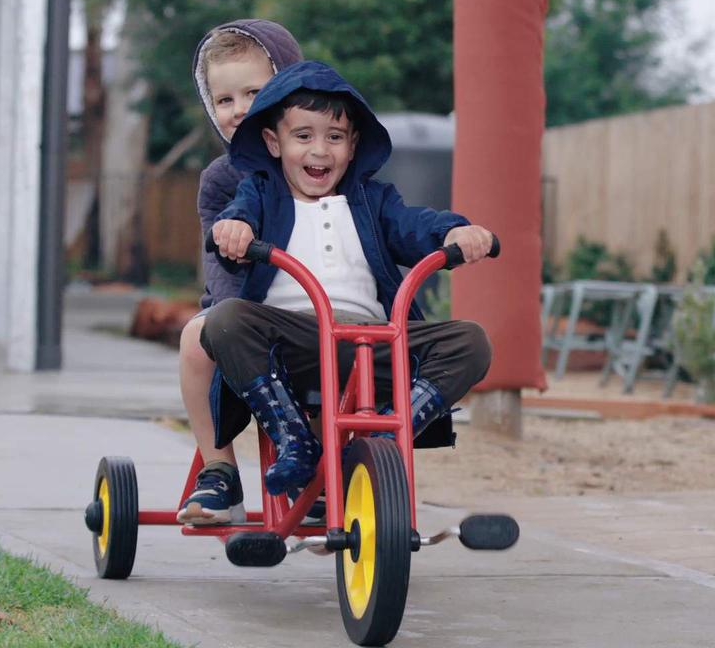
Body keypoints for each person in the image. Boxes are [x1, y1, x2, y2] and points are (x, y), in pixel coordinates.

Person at [191, 60, 493, 514]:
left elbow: (415, 226)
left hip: (371, 345)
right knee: (226, 320)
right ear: (274, 143)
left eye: (334, 137)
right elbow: (237, 216)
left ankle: (390, 430)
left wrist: (455, 233)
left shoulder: (373, 200)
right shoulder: (261, 192)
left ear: (353, 147)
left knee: (470, 341)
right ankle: (293, 436)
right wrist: (233, 229)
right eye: (303, 136)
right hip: (292, 342)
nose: (320, 151)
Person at [176, 21, 303, 525]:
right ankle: (220, 472)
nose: (240, 109)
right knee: (197, 337)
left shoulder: (322, 160)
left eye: (255, 92)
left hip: (316, 311)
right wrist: (238, 315)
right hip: (244, 309)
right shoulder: (220, 180)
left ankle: (328, 472)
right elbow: (221, 271)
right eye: (224, 99)